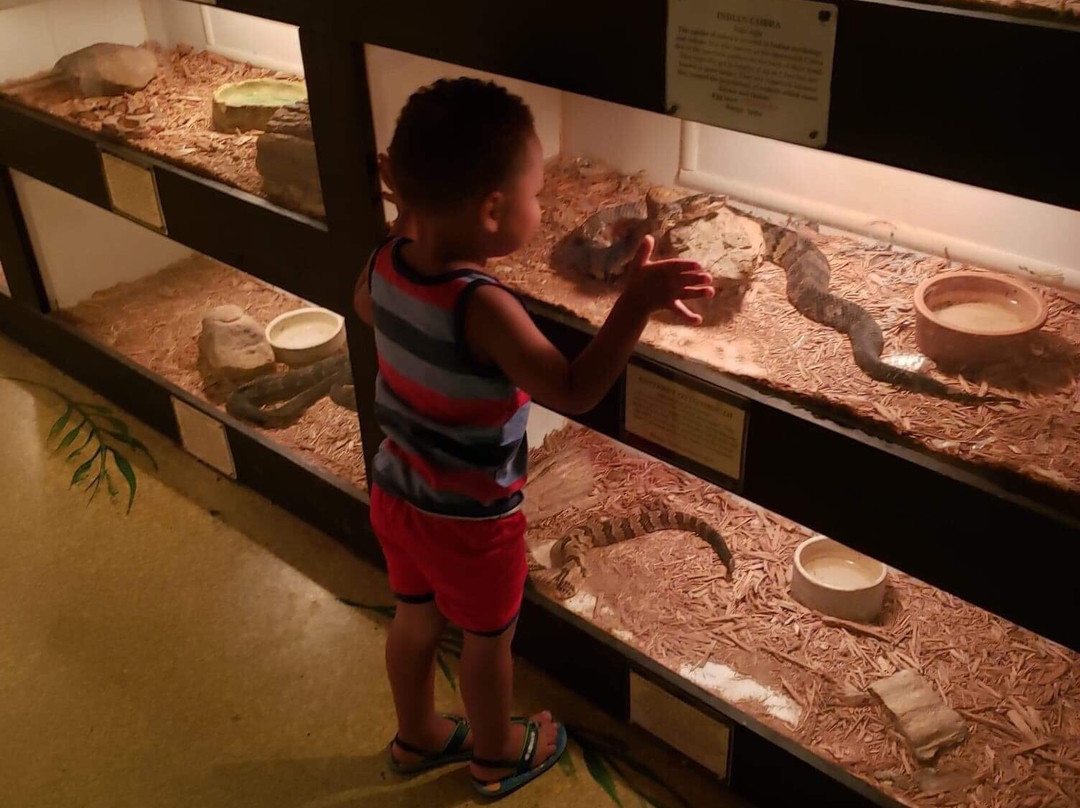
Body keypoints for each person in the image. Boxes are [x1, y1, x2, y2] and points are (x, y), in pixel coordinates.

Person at [353, 77, 713, 799]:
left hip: (396, 490)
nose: (542, 209)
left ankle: (417, 734)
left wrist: (407, 214)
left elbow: (365, 309)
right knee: (488, 641)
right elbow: (574, 390)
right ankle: (496, 756)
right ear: (493, 212)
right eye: (537, 195)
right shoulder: (482, 306)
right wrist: (635, 304)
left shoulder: (383, 263)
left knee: (414, 617)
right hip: (471, 520)